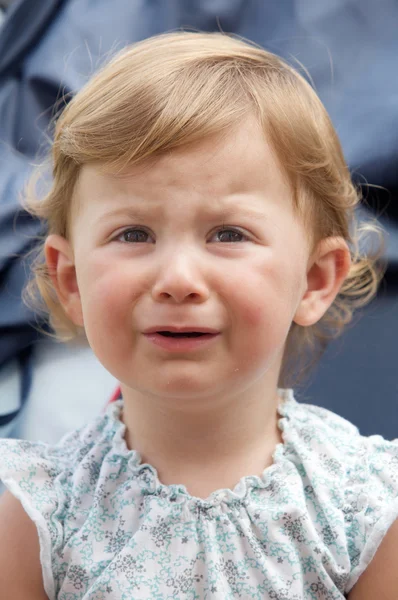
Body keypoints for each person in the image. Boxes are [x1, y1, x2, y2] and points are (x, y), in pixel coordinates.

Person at [0, 31, 396, 599]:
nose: (178, 280)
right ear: (72, 280)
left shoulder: (364, 509)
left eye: (228, 234)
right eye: (133, 233)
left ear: (313, 279)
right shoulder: (43, 516)